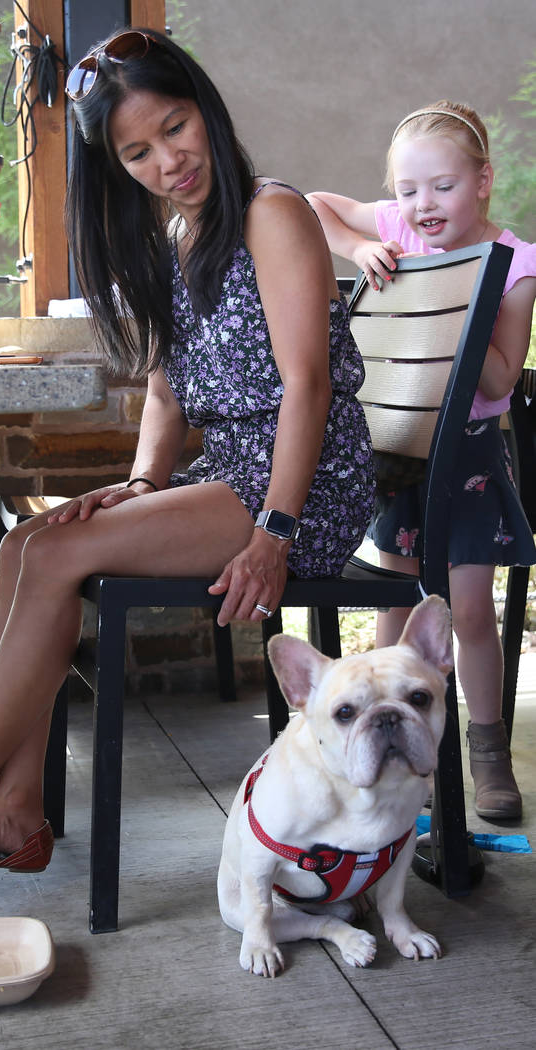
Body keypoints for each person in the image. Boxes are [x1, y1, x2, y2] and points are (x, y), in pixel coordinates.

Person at [0, 29, 374, 875]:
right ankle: (15, 809)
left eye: (175, 126)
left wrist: (275, 530)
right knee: (27, 544)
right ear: (117, 167)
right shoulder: (178, 239)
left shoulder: (272, 212)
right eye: (138, 151)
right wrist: (139, 484)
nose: (170, 159)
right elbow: (165, 391)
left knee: (59, 551)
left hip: (304, 488)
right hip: (229, 477)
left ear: (204, 106)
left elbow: (307, 384)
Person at [308, 100, 536, 820]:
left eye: (441, 187)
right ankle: (393, 745)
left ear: (481, 183)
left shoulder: (517, 264)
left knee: (467, 611)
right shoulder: (403, 227)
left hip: (467, 451)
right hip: (405, 447)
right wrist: (358, 247)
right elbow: (312, 206)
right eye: (407, 191)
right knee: (395, 604)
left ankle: (488, 754)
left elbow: (500, 377)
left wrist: (462, 297)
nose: (421, 205)